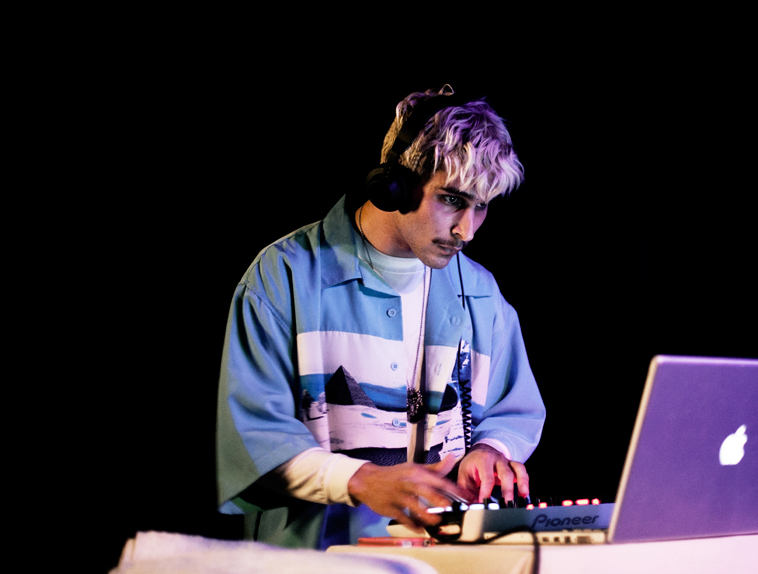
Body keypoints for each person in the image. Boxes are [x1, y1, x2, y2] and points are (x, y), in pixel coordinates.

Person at [216, 85, 546, 549]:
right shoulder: (283, 275)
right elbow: (254, 434)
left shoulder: (481, 292)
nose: (466, 230)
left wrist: (492, 450)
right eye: (452, 200)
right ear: (395, 186)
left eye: (481, 206)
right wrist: (362, 479)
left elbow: (513, 410)